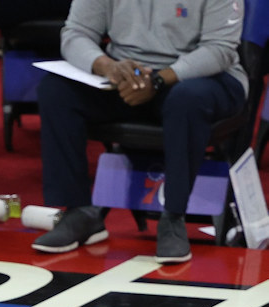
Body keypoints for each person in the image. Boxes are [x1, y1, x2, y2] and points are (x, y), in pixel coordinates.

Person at [31, 0, 247, 264]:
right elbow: (76, 33)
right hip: (126, 76)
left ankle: (173, 218)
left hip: (200, 78)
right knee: (55, 91)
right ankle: (79, 212)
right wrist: (107, 66)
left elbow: (219, 50)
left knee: (187, 100)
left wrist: (159, 80)